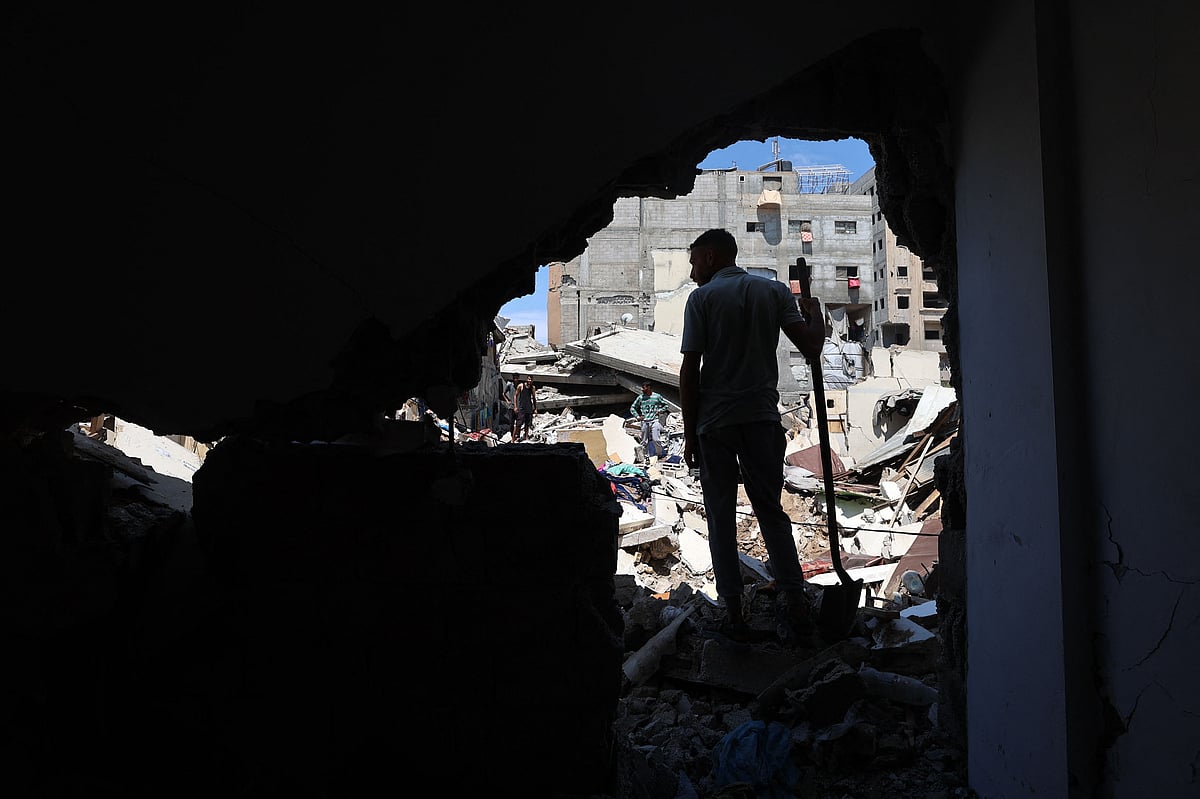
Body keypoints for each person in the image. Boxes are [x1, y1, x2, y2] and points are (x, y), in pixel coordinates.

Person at [679, 228, 825, 638]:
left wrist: (690, 434)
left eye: (694, 262)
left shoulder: (701, 300)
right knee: (771, 511)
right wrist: (814, 313)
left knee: (720, 518)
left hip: (715, 425)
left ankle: (733, 614)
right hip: (762, 420)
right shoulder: (773, 292)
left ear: (710, 257)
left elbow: (690, 371)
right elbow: (812, 347)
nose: (692, 272)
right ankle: (795, 600)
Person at [629, 381, 670, 461]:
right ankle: (646, 456)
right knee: (644, 441)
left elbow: (665, 405)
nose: (642, 389)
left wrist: (660, 411)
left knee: (656, 439)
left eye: (644, 388)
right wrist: (637, 416)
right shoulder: (641, 398)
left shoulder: (657, 396)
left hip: (655, 420)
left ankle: (659, 454)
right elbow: (633, 407)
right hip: (644, 421)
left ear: (649, 387)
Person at [513, 375, 537, 441]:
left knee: (527, 424)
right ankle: (513, 439)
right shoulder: (521, 386)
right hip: (522, 407)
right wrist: (515, 406)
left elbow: (534, 398)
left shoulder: (532, 388)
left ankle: (526, 437)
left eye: (531, 379)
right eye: (529, 379)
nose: (530, 381)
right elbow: (515, 395)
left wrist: (535, 408)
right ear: (526, 379)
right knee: (518, 424)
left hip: (529, 408)